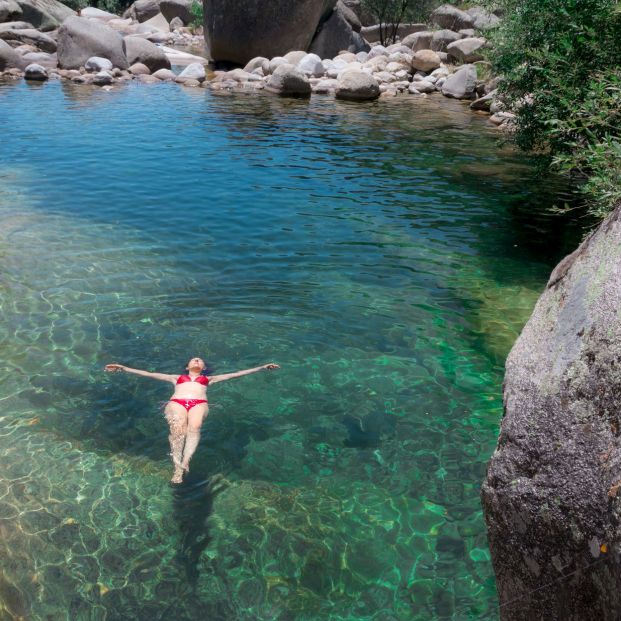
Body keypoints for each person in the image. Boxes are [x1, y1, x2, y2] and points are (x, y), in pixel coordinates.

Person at [104, 357, 280, 483]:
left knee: (194, 428)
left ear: (203, 368)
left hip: (199, 403)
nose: (197, 361)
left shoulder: (208, 379)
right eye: (194, 360)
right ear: (187, 367)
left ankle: (186, 460)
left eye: (200, 361)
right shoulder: (176, 377)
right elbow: (148, 373)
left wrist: (262, 367)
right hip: (177, 403)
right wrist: (123, 368)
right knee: (177, 430)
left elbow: (237, 374)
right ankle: (177, 467)